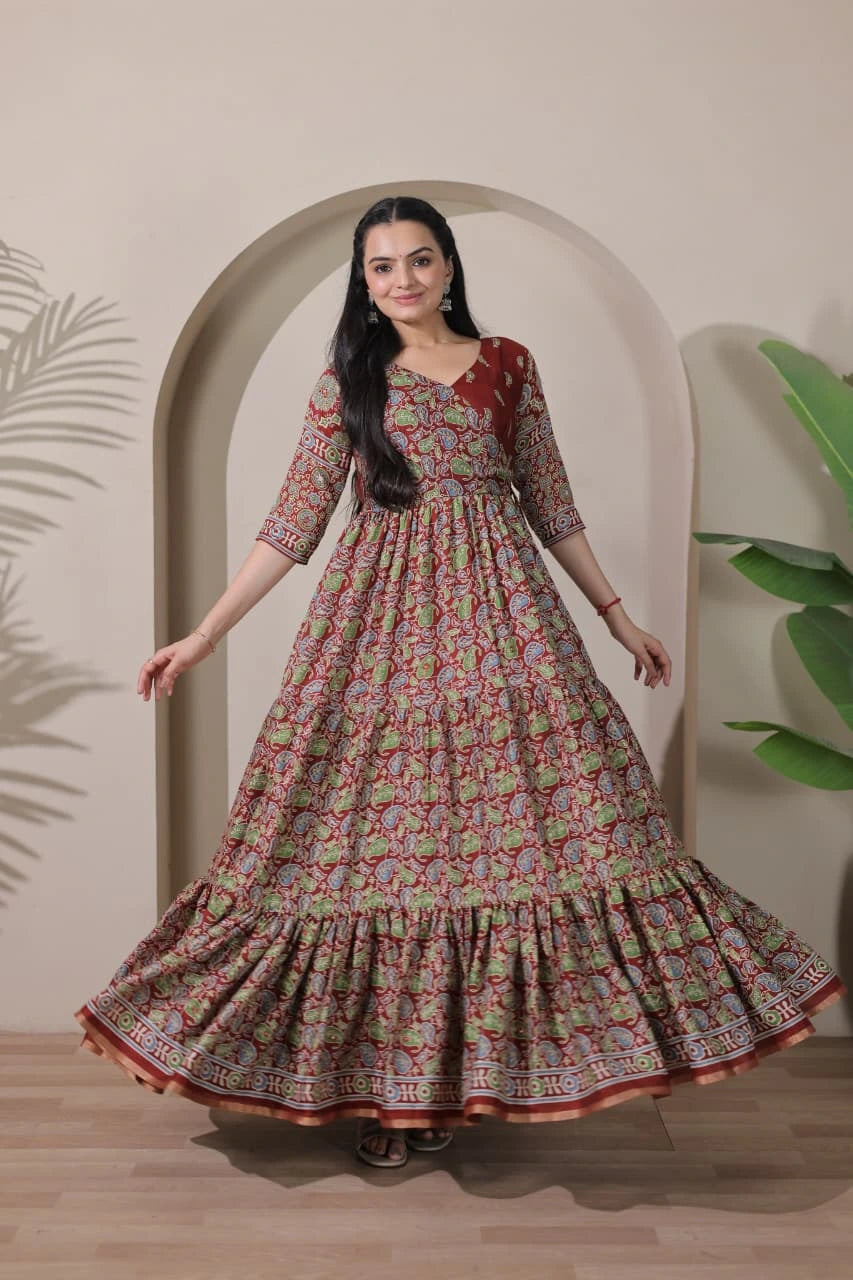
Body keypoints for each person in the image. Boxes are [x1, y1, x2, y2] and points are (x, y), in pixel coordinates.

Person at [74, 195, 844, 1170]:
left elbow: (550, 498)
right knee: (373, 856)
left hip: (504, 625)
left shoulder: (507, 364)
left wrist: (616, 616)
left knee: (513, 849)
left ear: (448, 268)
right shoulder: (346, 382)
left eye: (419, 260)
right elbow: (291, 524)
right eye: (382, 265)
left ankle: (460, 1079)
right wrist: (202, 634)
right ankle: (387, 1095)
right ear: (364, 282)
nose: (402, 279)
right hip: (375, 633)